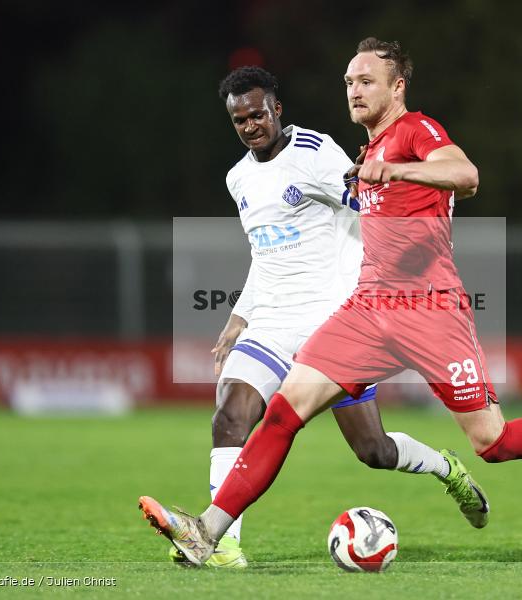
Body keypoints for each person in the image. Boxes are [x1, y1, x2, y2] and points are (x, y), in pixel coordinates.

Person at [140, 40, 522, 566]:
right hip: (367, 310)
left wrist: (400, 171)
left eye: (367, 81)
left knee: (492, 441)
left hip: (429, 310)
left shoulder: (413, 131)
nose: (354, 90)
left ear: (397, 87)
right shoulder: (367, 149)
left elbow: (465, 176)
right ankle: (208, 531)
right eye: (349, 82)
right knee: (284, 412)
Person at [162, 66, 489, 568]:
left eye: (258, 114)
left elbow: (372, 208)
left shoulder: (316, 154)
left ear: (277, 109)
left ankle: (446, 468)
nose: (251, 125)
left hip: (332, 324)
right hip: (271, 323)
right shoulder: (238, 178)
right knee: (230, 416)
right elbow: (263, 253)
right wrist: (238, 318)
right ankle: (220, 543)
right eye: (240, 120)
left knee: (373, 450)